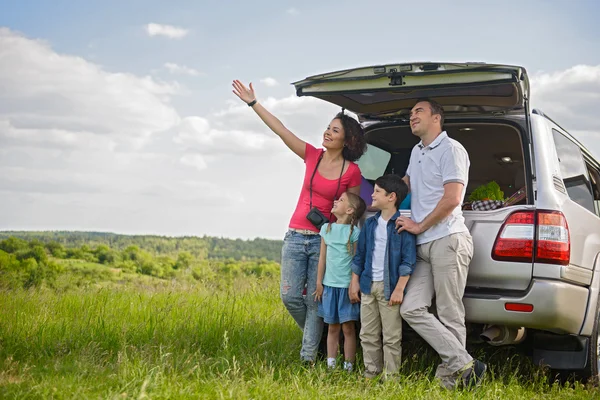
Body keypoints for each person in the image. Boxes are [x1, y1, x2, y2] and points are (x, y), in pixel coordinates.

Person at [232, 80, 367, 364]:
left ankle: (308, 358)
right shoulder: (312, 156)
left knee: (312, 300)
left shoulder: (351, 171)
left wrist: (350, 248)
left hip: (324, 239)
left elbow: (351, 212)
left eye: (335, 130)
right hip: (295, 235)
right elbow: (281, 129)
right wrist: (253, 103)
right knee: (291, 297)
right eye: (328, 128)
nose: (327, 133)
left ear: (347, 140)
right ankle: (319, 339)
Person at [396, 98, 487, 389]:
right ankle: (465, 364)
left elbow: (452, 199)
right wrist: (377, 197)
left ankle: (451, 381)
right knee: (410, 309)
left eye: (418, 111)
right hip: (423, 245)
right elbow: (404, 185)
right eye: (410, 113)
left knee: (450, 312)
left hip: (448, 239)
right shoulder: (416, 150)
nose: (412, 116)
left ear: (437, 118)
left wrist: (419, 225)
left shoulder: (451, 149)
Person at [349, 174, 417, 379]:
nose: (372, 194)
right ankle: (371, 372)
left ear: (392, 197)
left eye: (377, 191)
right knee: (367, 334)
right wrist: (354, 282)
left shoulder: (403, 226)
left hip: (390, 289)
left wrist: (399, 289)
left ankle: (391, 378)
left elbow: (408, 261)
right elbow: (359, 256)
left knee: (391, 336)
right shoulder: (369, 225)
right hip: (368, 286)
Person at [314, 191, 366, 372]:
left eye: (341, 200)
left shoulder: (355, 233)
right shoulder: (326, 229)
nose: (336, 201)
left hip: (345, 288)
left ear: (350, 210)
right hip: (329, 287)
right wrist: (319, 283)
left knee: (349, 329)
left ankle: (349, 367)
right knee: (332, 328)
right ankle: (331, 366)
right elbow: (322, 259)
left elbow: (356, 261)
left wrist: (354, 284)